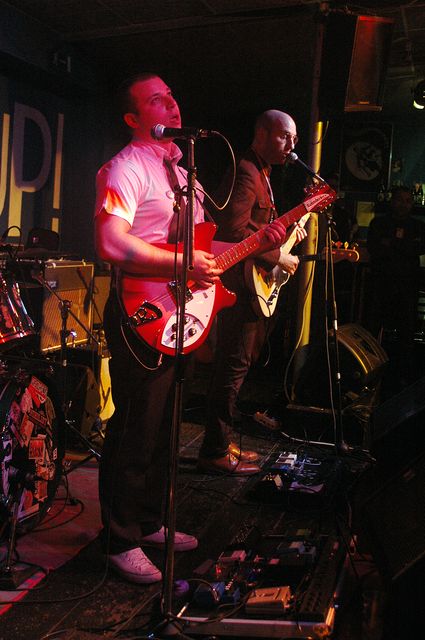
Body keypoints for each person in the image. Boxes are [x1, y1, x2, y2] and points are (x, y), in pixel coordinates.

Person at [94, 75, 288, 583]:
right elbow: (111, 243)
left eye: (172, 95)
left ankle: (148, 521)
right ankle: (118, 539)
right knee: (136, 426)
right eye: (156, 100)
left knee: (166, 424)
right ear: (134, 118)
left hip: (178, 314)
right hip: (142, 309)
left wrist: (260, 242)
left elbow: (204, 252)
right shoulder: (125, 167)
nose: (172, 103)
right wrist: (181, 264)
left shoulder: (185, 174)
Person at [197, 109, 307, 475]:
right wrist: (277, 255)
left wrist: (285, 237)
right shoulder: (246, 171)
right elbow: (231, 230)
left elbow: (257, 230)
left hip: (249, 282)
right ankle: (214, 450)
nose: (291, 144)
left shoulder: (263, 172)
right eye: (284, 136)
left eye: (294, 138)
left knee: (238, 365)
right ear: (262, 133)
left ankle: (222, 441)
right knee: (232, 366)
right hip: (239, 284)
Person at [366, 185, 425, 387]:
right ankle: (370, 372)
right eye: (400, 200)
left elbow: (418, 248)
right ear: (392, 201)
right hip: (381, 285)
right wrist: (405, 247)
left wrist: (391, 244)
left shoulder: (418, 226)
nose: (404, 205)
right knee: (373, 329)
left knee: (406, 334)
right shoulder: (379, 223)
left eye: (408, 201)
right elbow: (375, 248)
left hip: (407, 286)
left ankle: (402, 378)